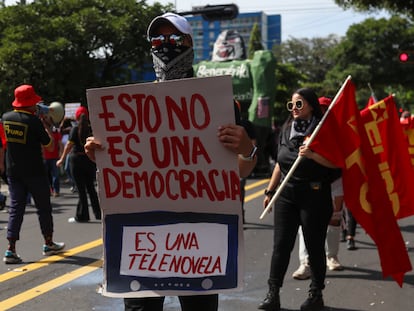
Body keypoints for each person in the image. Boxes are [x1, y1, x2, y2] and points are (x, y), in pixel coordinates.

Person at [84, 12, 257, 311]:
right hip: (143, 239)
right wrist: (99, 156)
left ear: (189, 43)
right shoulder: (128, 107)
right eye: (158, 39)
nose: (165, 45)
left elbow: (238, 171)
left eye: (174, 39)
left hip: (200, 237)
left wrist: (247, 149)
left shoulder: (220, 103)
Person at [259, 88, 339, 311]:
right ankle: (272, 293)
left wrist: (313, 155)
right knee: (281, 246)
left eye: (299, 104)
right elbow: (280, 165)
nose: (294, 109)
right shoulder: (285, 129)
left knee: (314, 246)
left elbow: (336, 163)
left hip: (314, 194)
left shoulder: (322, 130)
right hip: (287, 194)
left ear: (311, 106)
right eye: (291, 105)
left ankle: (316, 294)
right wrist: (269, 191)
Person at [2, 84, 65, 264]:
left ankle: (10, 249)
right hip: (35, 172)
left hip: (13, 172)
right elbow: (50, 145)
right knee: (43, 207)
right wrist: (45, 123)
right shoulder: (34, 121)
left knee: (16, 209)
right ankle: (48, 243)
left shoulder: (6, 118)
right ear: (30, 103)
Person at [57, 106, 101, 223]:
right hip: (89, 160)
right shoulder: (92, 129)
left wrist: (61, 159)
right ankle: (99, 214)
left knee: (81, 190)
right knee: (91, 188)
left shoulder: (74, 129)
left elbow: (68, 146)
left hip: (76, 161)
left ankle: (82, 215)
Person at [43, 117, 63, 197]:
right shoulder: (42, 132)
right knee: (47, 176)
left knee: (55, 175)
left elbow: (60, 143)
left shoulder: (55, 131)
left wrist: (61, 154)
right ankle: (50, 189)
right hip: (45, 157)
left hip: (54, 157)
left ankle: (56, 190)